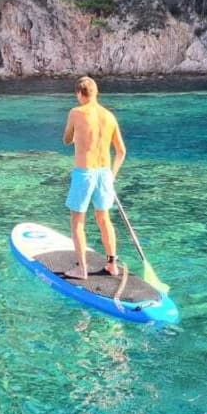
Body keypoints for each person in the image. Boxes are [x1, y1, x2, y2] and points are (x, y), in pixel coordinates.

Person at [62, 75, 126, 280]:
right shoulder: (109, 116)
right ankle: (112, 264)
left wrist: (77, 136)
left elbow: (66, 140)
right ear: (96, 93)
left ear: (79, 94)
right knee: (104, 218)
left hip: (84, 173)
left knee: (77, 221)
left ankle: (82, 269)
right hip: (105, 173)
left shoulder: (76, 112)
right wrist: (112, 176)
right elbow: (121, 152)